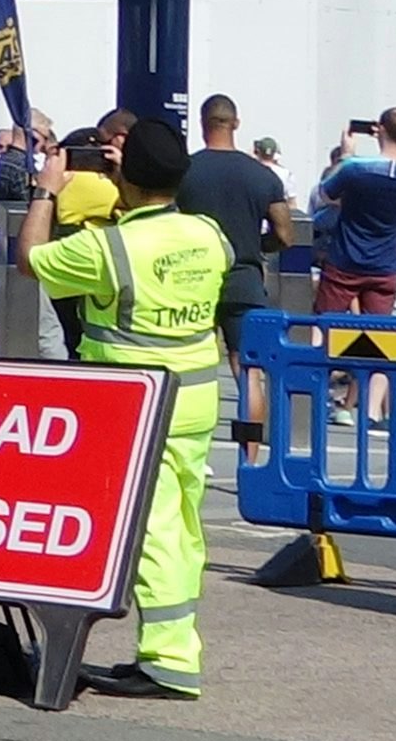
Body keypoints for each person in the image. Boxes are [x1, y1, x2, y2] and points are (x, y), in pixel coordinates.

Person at [16, 109, 226, 697]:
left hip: (137, 406)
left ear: (124, 177)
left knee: (154, 530)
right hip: (195, 399)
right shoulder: (207, 234)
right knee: (182, 527)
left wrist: (46, 191)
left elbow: (30, 258)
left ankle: (168, 660)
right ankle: (173, 646)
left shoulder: (111, 248)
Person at [169, 88, 296, 455]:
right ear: (235, 124)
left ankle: (187, 451)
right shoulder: (261, 175)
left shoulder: (186, 171)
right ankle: (250, 457)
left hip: (193, 278)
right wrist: (257, 248)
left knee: (188, 365)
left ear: (202, 124)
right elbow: (285, 234)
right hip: (244, 278)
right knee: (248, 370)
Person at [311, 116, 396, 318]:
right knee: (378, 330)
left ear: (380, 130)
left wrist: (346, 154)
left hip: (345, 259)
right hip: (385, 263)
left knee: (325, 323)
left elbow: (325, 195)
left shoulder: (354, 167)